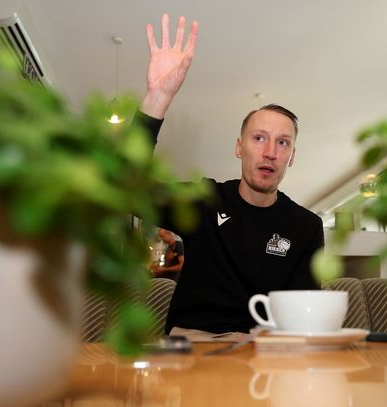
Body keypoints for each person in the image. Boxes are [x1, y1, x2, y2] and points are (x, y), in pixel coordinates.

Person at [138, 14, 324, 338]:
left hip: (265, 350)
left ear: (292, 156)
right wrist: (157, 99)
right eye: (259, 138)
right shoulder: (205, 201)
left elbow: (303, 320)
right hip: (193, 344)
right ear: (239, 147)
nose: (270, 152)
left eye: (282, 143)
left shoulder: (306, 227)